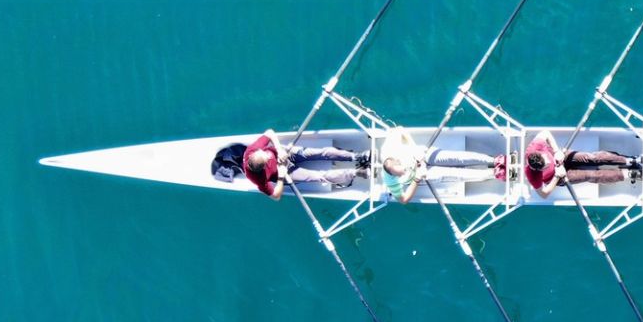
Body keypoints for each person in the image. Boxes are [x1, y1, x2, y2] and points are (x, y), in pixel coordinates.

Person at [213, 130, 365, 198]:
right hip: (285, 173)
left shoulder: (253, 150)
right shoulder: (257, 179)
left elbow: (270, 132)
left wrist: (279, 149)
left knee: (321, 152)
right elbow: (276, 196)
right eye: (266, 157)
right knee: (320, 176)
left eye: (264, 152)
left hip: (286, 153)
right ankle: (356, 173)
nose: (267, 153)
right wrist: (280, 176)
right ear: (261, 168)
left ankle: (357, 156)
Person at [380, 135, 499, 204]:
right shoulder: (390, 181)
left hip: (422, 155)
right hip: (421, 174)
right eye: (400, 175)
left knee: (458, 158)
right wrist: (416, 178)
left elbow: (399, 129)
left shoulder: (391, 147)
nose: (403, 173)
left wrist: (414, 148)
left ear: (398, 160)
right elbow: (403, 200)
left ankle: (494, 161)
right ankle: (494, 173)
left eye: (403, 170)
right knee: (456, 174)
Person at [523, 135, 641, 197]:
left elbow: (545, 133)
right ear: (537, 170)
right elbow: (544, 194)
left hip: (561, 156)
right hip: (559, 176)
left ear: (539, 153)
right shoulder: (532, 176)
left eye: (547, 159)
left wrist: (556, 151)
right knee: (591, 175)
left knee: (592, 158)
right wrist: (557, 176)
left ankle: (631, 160)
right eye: (546, 166)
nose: (550, 162)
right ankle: (630, 174)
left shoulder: (534, 147)